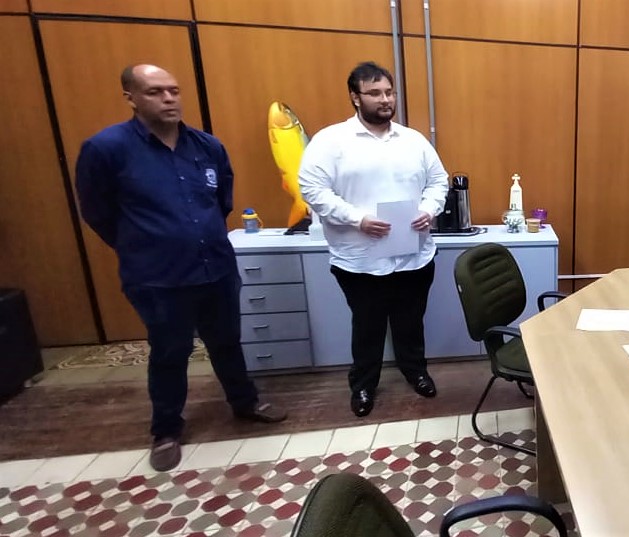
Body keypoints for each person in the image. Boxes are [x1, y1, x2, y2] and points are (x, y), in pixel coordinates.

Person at [75, 64, 287, 472]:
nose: (169, 99)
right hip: (159, 277)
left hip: (216, 268)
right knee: (171, 351)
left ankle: (245, 403)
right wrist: (142, 244)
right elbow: (97, 212)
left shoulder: (206, 146)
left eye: (173, 90)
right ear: (131, 98)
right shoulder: (106, 149)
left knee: (227, 341)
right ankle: (166, 430)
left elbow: (221, 201)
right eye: (155, 92)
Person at [298, 62, 449, 417]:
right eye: (375, 93)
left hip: (413, 255)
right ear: (355, 97)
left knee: (411, 322)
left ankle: (416, 372)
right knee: (367, 327)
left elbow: (438, 181)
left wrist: (429, 209)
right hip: (361, 259)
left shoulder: (413, 141)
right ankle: (364, 385)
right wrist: (358, 219)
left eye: (389, 92)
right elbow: (313, 189)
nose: (385, 100)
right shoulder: (331, 141)